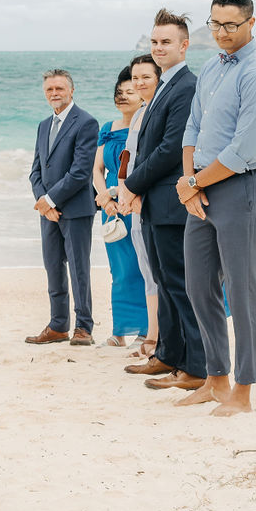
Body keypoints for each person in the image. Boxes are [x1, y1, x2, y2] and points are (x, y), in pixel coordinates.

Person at [174, 0, 256, 416]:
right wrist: (189, 182)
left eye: (230, 25)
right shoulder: (211, 68)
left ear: (251, 23)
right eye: (215, 23)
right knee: (198, 285)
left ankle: (243, 391)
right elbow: (193, 129)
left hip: (242, 190)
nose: (221, 32)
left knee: (241, 292)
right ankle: (216, 379)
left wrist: (195, 182)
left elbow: (244, 150)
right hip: (201, 189)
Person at [120, 9, 205, 393]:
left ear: (184, 45)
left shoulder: (185, 86)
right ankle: (168, 356)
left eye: (166, 41)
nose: (158, 48)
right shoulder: (162, 87)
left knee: (180, 285)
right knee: (165, 283)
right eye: (154, 41)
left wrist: (131, 184)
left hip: (172, 204)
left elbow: (171, 149)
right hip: (155, 204)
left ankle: (195, 367)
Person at [27, 69, 99, 346]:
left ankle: (84, 327)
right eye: (49, 90)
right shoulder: (43, 125)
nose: (54, 93)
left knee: (79, 269)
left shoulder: (86, 122)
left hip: (77, 209)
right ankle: (58, 326)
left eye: (59, 88)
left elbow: (80, 172)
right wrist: (44, 203)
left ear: (71, 91)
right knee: (53, 267)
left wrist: (51, 200)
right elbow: (36, 170)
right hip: (49, 212)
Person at [92, 68, 148, 346]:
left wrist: (125, 198)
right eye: (119, 92)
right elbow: (97, 170)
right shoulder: (107, 128)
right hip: (110, 209)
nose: (123, 97)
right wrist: (104, 198)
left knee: (142, 266)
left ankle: (146, 330)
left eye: (130, 92)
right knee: (119, 269)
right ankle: (119, 332)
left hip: (135, 203)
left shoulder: (144, 126)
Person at [118, 54, 162, 355]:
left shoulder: (157, 111)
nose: (139, 83)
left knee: (159, 274)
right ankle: (153, 336)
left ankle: (157, 339)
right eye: (135, 78)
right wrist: (121, 191)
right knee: (147, 271)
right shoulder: (139, 113)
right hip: (134, 203)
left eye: (145, 77)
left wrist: (134, 191)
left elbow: (159, 159)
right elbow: (128, 160)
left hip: (150, 200)